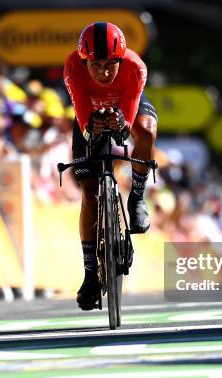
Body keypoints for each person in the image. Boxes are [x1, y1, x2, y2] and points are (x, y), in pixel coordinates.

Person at [63, 22, 158, 310]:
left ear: (121, 60)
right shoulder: (72, 67)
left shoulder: (135, 67)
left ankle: (138, 198)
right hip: (89, 111)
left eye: (110, 65)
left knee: (147, 130)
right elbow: (81, 111)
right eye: (96, 65)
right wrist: (91, 128)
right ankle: (90, 273)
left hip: (126, 106)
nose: (103, 73)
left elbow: (129, 114)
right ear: (84, 61)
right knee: (89, 192)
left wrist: (123, 126)